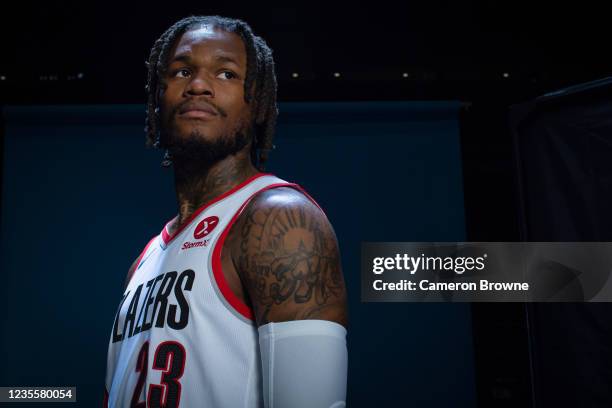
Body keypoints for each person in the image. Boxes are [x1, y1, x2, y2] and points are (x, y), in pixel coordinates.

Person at [104, 15, 348, 408]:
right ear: (156, 97)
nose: (198, 85)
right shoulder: (144, 262)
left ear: (258, 103)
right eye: (182, 71)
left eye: (226, 74)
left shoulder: (281, 222)